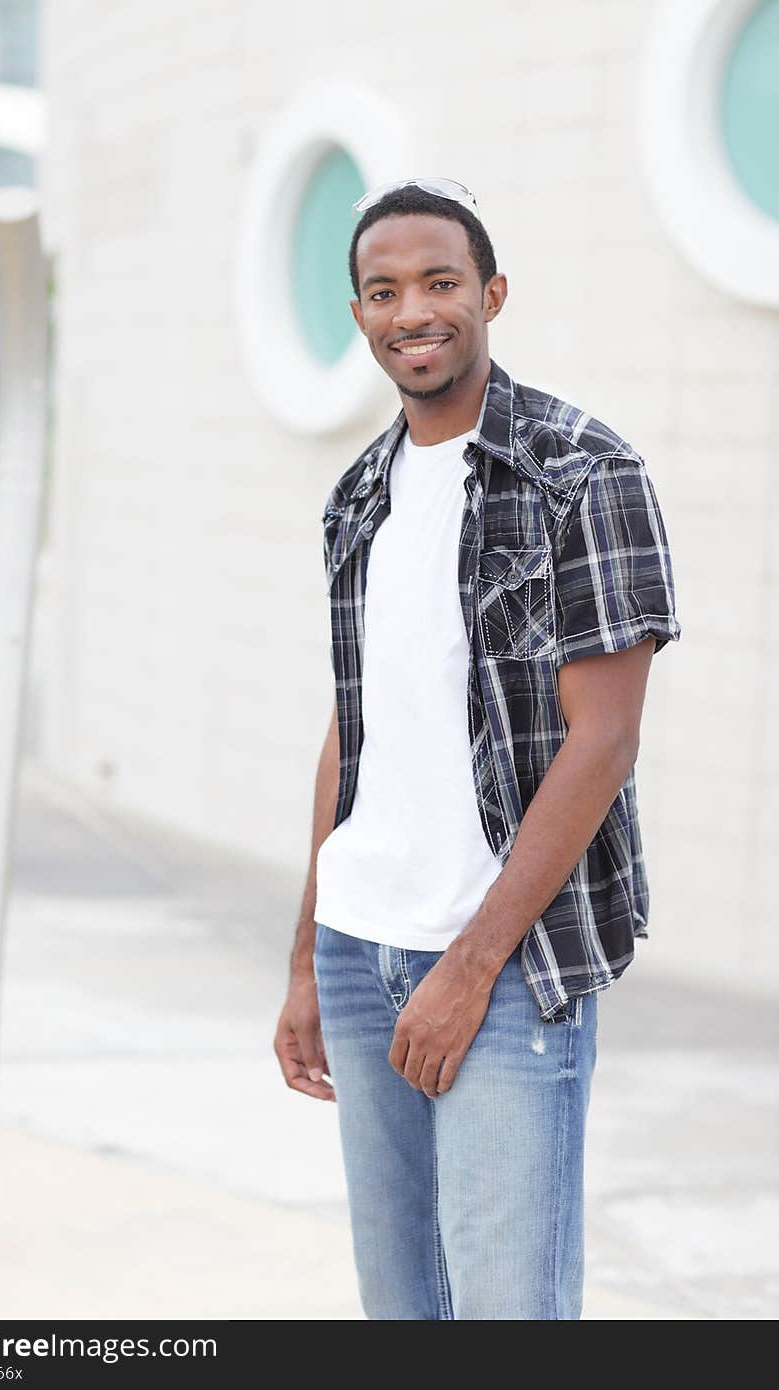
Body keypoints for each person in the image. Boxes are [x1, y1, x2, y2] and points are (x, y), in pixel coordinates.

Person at [273, 178, 681, 1320]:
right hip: (361, 950)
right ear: (359, 314)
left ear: (490, 294)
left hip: (505, 964)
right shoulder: (357, 496)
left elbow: (602, 741)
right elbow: (352, 727)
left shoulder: (583, 473)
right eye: (383, 290)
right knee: (400, 1306)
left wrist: (467, 966)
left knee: (509, 1309)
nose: (414, 310)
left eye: (440, 282)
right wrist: (307, 956)